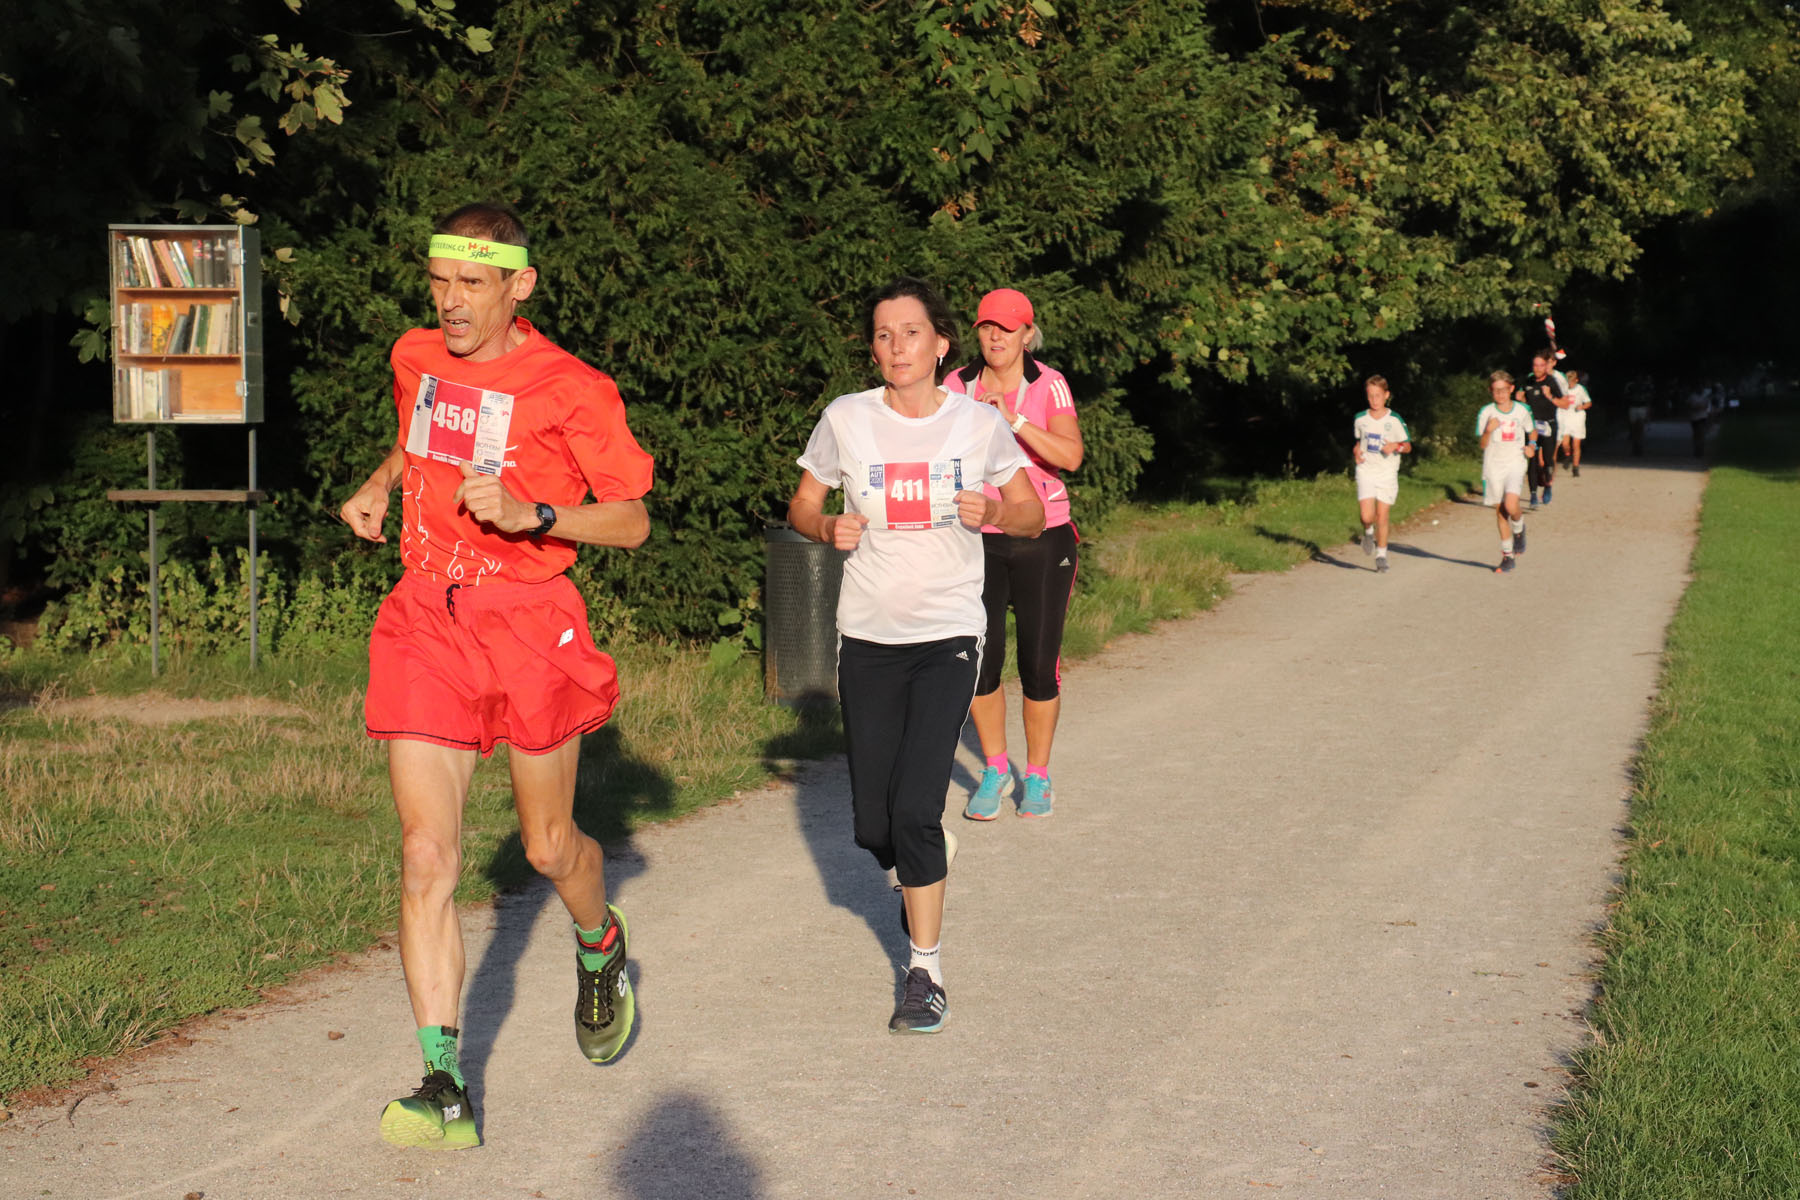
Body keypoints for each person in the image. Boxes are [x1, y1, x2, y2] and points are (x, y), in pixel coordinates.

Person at [339, 204, 654, 1149]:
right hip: (427, 615)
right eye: (439, 281)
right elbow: (421, 433)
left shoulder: (571, 387)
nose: (451, 302)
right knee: (425, 856)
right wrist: (382, 482)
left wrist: (535, 514)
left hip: (527, 622)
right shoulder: (416, 356)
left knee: (549, 847)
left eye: (471, 284)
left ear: (520, 285)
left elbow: (632, 519)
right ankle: (444, 1085)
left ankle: (599, 944)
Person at [787, 277, 1043, 1034]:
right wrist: (822, 527)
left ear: (941, 345)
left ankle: (924, 973)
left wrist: (995, 511)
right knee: (874, 825)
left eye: (911, 332)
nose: (896, 347)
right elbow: (803, 503)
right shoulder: (847, 418)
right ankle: (918, 856)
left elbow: (1030, 512)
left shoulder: (977, 423)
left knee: (916, 808)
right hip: (867, 635)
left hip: (949, 633)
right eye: (883, 334)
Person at [940, 288, 1083, 819]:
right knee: (981, 661)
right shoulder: (957, 385)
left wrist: (1013, 420)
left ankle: (1038, 775)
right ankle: (996, 769)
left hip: (1043, 537)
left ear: (1027, 334)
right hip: (976, 537)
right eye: (986, 327)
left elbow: (1071, 455)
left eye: (1006, 328)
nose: (995, 336)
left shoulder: (1049, 384)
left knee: (1039, 665)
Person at [1476, 370, 1538, 574]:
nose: (1500, 394)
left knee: (1511, 505)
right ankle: (1507, 556)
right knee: (1501, 511)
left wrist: (1532, 445)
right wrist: (1488, 431)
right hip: (1494, 465)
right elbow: (1482, 444)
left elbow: (1532, 430)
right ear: (1490, 391)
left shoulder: (1522, 410)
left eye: (1503, 390)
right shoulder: (1486, 412)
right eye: (1496, 391)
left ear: (1511, 389)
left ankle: (1519, 528)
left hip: (1515, 462)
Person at [1350, 375, 1412, 575]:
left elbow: (1408, 446)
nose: (1374, 400)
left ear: (1386, 395)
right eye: (1370, 396)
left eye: (1378, 395)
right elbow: (1359, 443)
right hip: (1366, 470)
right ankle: (1368, 532)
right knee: (1366, 516)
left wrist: (1396, 446)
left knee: (1382, 515)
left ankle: (1381, 555)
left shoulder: (1394, 420)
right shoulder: (1360, 419)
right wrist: (1356, 452)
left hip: (1387, 473)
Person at [1520, 351, 1563, 506]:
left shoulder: (1552, 381)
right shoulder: (1528, 380)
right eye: (1535, 365)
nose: (1538, 368)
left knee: (1547, 460)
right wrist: (1520, 398)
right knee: (1532, 460)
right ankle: (1533, 495)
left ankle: (1548, 486)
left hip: (1549, 425)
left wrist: (1550, 395)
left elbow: (1564, 403)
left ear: (1546, 367)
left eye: (1541, 365)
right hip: (1532, 426)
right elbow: (1522, 400)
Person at [1556, 369, 1591, 475]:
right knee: (1564, 443)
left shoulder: (1580, 389)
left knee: (1576, 444)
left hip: (1577, 418)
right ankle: (1568, 455)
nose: (1569, 385)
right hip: (1565, 417)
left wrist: (1582, 406)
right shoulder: (1562, 389)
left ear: (1576, 380)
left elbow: (1588, 403)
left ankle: (1575, 467)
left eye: (1571, 382)